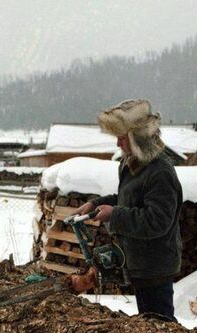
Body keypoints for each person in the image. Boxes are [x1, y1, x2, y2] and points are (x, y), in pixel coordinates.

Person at [74, 99, 183, 320]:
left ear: (138, 138)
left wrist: (115, 215)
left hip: (155, 266)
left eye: (122, 138)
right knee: (147, 322)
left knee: (159, 324)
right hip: (140, 263)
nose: (117, 144)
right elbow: (128, 199)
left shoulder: (160, 171)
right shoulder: (132, 163)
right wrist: (96, 204)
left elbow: (157, 220)